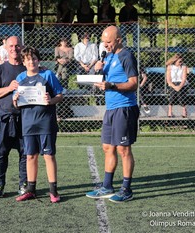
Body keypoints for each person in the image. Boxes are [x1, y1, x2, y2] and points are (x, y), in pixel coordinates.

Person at [86, 26, 139, 203]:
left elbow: (133, 83)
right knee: (107, 147)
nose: (105, 45)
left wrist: (112, 86)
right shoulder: (108, 57)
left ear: (118, 40)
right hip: (111, 109)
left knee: (123, 149)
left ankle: (126, 189)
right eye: (104, 42)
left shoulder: (126, 56)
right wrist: (97, 71)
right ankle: (107, 186)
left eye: (108, 42)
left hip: (124, 108)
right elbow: (102, 81)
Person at [13, 46, 64, 203]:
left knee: (48, 156)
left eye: (34, 58)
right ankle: (31, 189)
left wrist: (51, 100)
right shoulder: (20, 77)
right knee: (30, 156)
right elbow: (16, 103)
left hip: (46, 122)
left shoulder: (47, 74)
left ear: (38, 60)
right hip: (28, 123)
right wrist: (15, 100)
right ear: (24, 61)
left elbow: (60, 95)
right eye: (28, 59)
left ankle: (53, 191)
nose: (31, 62)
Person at [0, 36, 27, 198]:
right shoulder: (1, 69)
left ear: (22, 47)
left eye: (17, 46)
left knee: (25, 153)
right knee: (1, 153)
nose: (14, 48)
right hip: (4, 117)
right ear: (6, 48)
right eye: (11, 46)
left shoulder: (28, 67)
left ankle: (24, 185)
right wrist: (9, 88)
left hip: (24, 118)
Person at [165, 53, 188, 118]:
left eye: (182, 61)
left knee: (180, 94)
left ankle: (184, 111)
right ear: (175, 61)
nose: (181, 63)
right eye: (180, 61)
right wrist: (175, 87)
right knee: (172, 94)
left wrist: (179, 87)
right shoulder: (170, 67)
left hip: (182, 84)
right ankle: (170, 111)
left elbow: (184, 79)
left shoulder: (184, 67)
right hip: (172, 84)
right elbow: (168, 79)